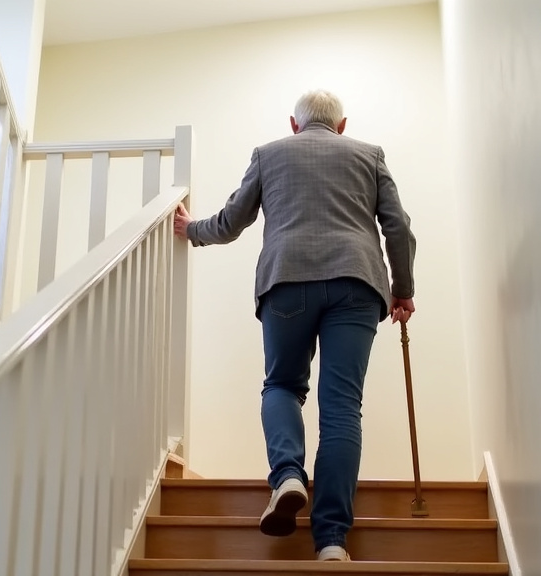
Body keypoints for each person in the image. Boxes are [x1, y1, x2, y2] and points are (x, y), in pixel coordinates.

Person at [173, 90, 416, 562]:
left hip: (286, 281)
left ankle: (286, 475)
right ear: (342, 125)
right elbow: (398, 227)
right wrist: (402, 288)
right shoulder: (369, 154)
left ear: (293, 124)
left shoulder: (269, 154)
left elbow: (230, 221)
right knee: (343, 407)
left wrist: (192, 230)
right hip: (357, 283)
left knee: (282, 386)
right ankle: (331, 542)